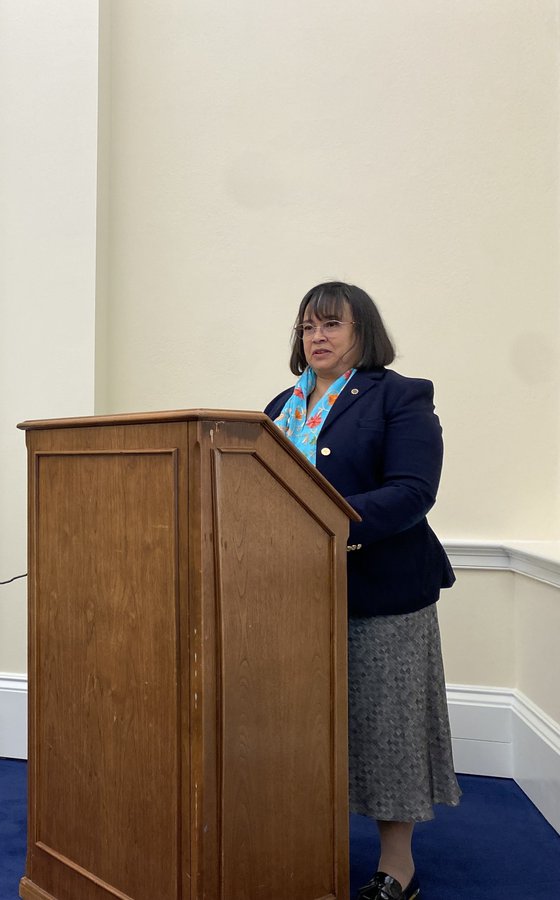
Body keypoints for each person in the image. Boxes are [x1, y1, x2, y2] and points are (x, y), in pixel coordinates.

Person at [264, 282, 460, 900]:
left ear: (362, 332)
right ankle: (301, 843)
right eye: (306, 328)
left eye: (330, 326)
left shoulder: (399, 397)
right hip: (293, 597)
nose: (316, 338)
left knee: (385, 729)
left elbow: (411, 490)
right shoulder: (276, 408)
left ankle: (397, 868)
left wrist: (325, 526)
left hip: (382, 593)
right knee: (295, 728)